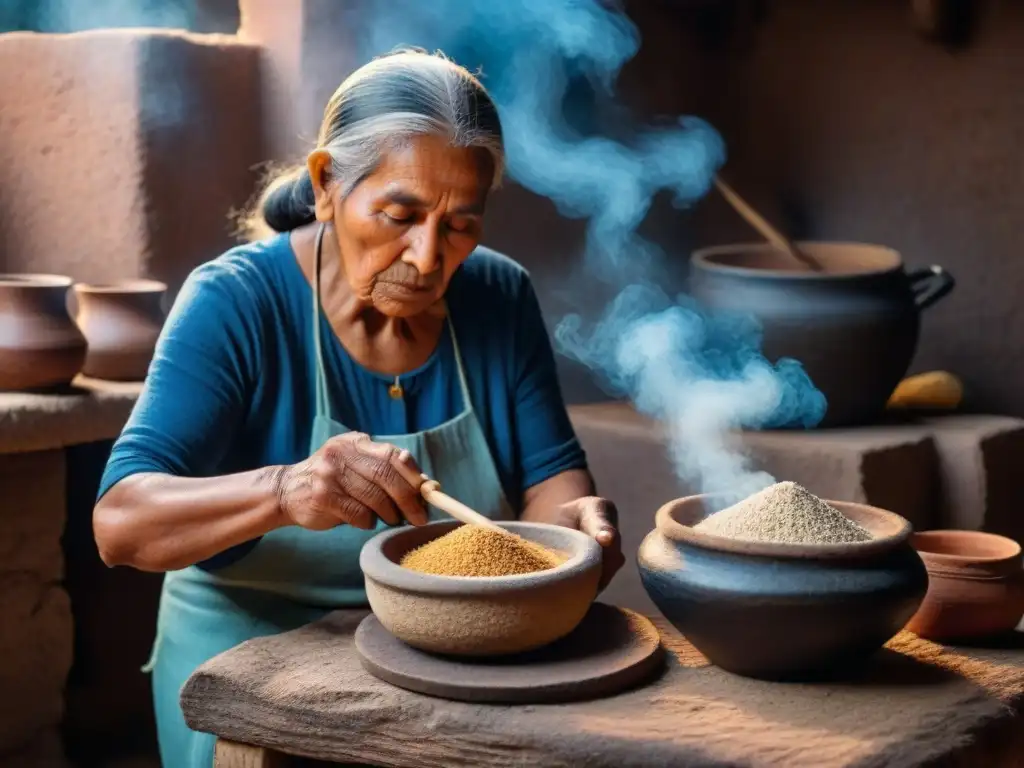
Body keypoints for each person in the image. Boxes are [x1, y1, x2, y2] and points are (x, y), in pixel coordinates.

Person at [92, 48, 625, 768]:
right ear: (325, 185)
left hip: (442, 655)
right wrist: (287, 489)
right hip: (250, 661)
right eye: (399, 214)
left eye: (461, 224)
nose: (430, 254)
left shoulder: (499, 296)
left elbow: (551, 477)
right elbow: (120, 522)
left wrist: (568, 537)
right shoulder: (237, 302)